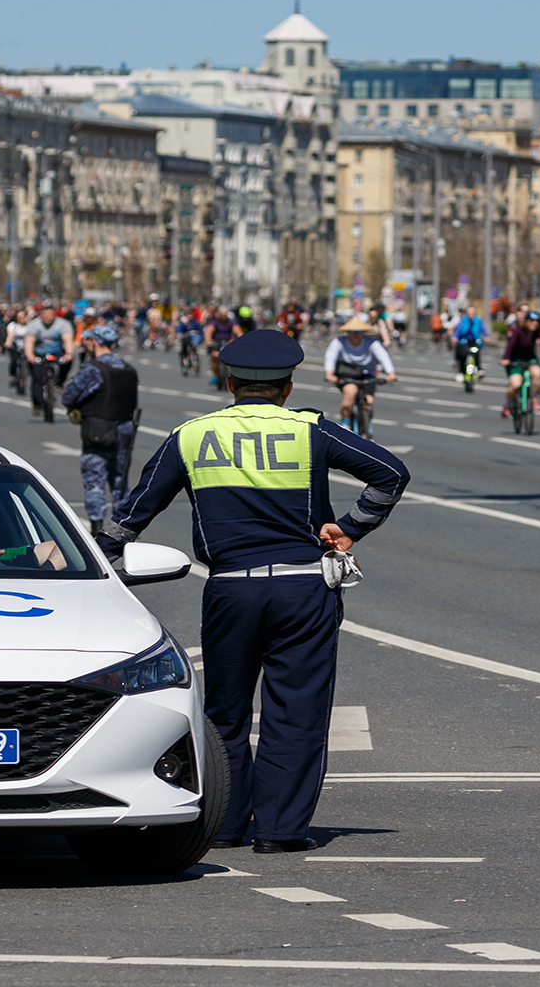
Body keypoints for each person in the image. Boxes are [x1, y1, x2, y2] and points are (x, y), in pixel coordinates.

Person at [97, 330, 410, 853]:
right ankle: (281, 831)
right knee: (297, 711)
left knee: (225, 711)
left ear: (227, 381)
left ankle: (223, 824)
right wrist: (352, 526)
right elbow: (390, 473)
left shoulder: (191, 435)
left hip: (230, 589)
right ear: (288, 387)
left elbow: (132, 517)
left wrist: (75, 560)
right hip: (303, 589)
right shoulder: (309, 431)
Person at [60, 323, 139, 533]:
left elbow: (69, 396)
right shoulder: (128, 369)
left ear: (94, 342)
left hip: (98, 429)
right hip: (125, 429)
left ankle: (96, 526)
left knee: (94, 477)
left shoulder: (93, 369)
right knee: (120, 479)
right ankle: (123, 528)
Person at [324, 317, 397, 430]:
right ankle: (345, 423)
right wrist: (329, 373)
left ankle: (367, 425)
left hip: (367, 375)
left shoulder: (371, 342)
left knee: (370, 401)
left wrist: (390, 373)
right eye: (352, 332)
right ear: (348, 332)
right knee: (350, 393)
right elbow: (331, 355)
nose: (356, 335)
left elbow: (383, 355)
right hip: (347, 374)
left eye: (359, 332)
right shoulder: (339, 341)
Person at [23, 305, 76, 419]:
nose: (47, 317)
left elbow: (68, 340)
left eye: (50, 315)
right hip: (39, 353)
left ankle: (59, 381)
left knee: (68, 361)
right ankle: (37, 404)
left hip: (57, 352)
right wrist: (30, 355)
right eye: (44, 315)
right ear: (41, 315)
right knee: (37, 378)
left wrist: (69, 354)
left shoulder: (63, 324)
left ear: (55, 315)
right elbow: (29, 341)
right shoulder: (34, 325)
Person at [500, 309, 540, 414]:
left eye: (537, 322)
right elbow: (510, 345)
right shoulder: (518, 331)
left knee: (537, 372)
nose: (534, 324)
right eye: (531, 321)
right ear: (526, 321)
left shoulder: (538, 333)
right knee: (516, 384)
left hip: (530, 359)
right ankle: (508, 403)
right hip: (515, 359)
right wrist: (505, 359)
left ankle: (534, 398)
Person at [451, 304, 487, 378]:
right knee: (462, 354)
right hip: (464, 341)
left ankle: (479, 368)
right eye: (469, 312)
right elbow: (458, 330)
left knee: (476, 354)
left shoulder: (478, 320)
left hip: (474, 341)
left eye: (472, 312)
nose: (471, 314)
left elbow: (483, 329)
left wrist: (486, 336)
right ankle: (461, 371)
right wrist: (455, 337)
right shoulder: (463, 320)